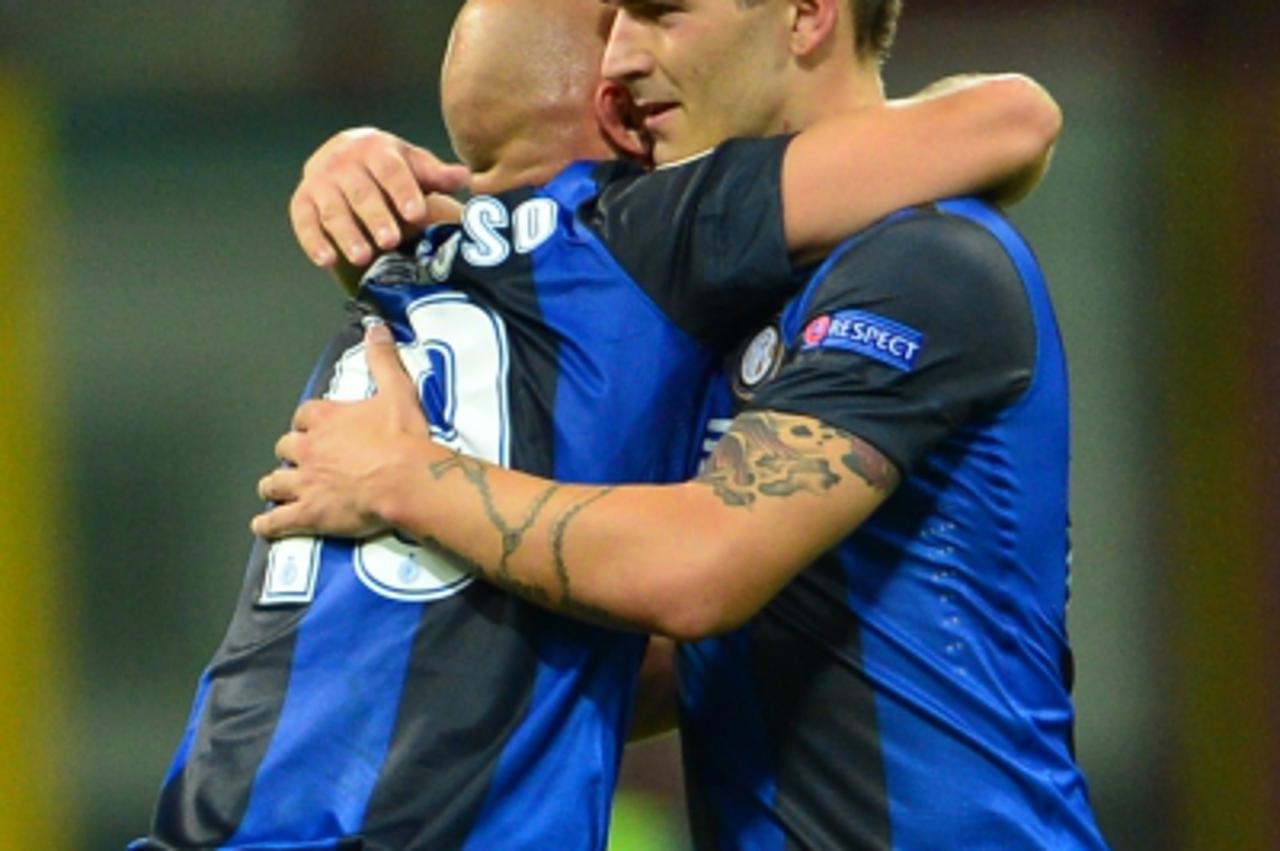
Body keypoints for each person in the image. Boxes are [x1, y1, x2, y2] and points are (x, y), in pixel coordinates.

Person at [136, 2, 1060, 849]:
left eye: (659, 11)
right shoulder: (680, 310)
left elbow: (698, 570)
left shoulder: (922, 260)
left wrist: (411, 481)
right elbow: (682, 648)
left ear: (809, 14)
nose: (619, 57)